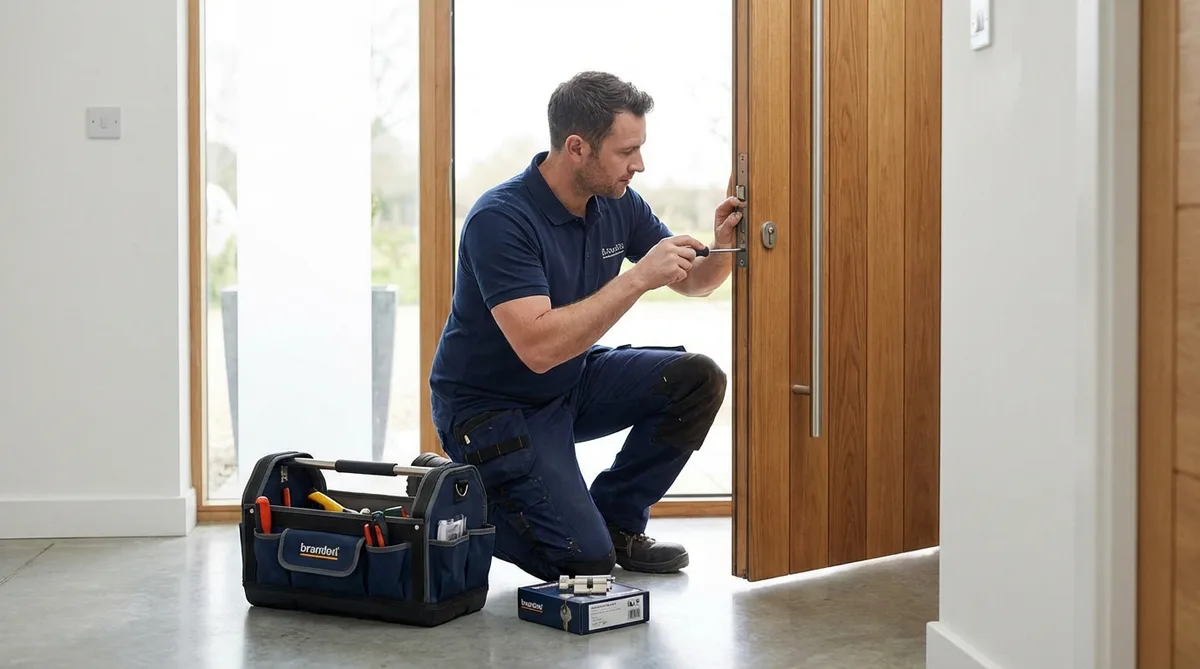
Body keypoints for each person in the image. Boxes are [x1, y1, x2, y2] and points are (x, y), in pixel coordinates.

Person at [420, 71, 743, 582]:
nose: (638, 164)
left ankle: (617, 522)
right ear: (577, 147)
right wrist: (637, 278)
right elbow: (539, 347)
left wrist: (725, 241)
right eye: (625, 151)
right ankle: (448, 493)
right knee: (583, 563)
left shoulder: (619, 203)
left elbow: (695, 282)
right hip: (492, 409)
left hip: (568, 381)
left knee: (696, 378)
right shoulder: (501, 220)